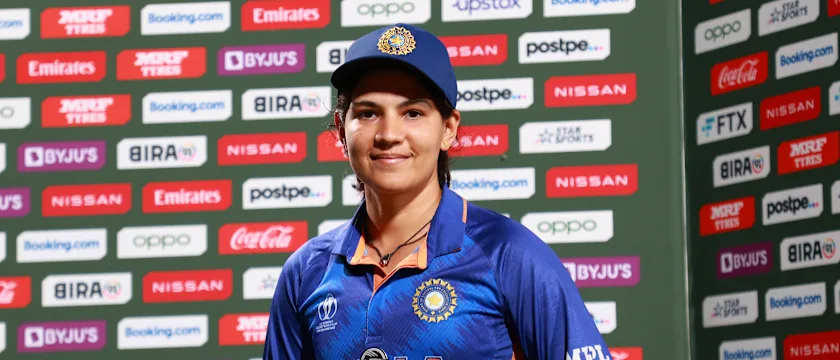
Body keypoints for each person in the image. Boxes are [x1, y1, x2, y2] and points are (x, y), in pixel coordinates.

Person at [262, 23, 612, 360]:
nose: (388, 134)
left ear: (448, 129)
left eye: (412, 113)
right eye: (368, 114)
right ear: (341, 130)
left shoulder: (508, 254)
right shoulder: (307, 271)